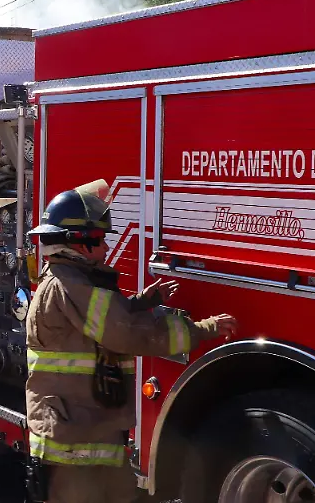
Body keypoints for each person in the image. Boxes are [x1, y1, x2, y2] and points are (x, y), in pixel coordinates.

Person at [24, 180, 237, 503]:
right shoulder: (71, 285)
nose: (107, 248)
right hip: (75, 442)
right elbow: (128, 332)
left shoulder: (68, 280)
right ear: (78, 243)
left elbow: (101, 323)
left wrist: (141, 302)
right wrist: (204, 329)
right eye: (100, 239)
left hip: (80, 429)